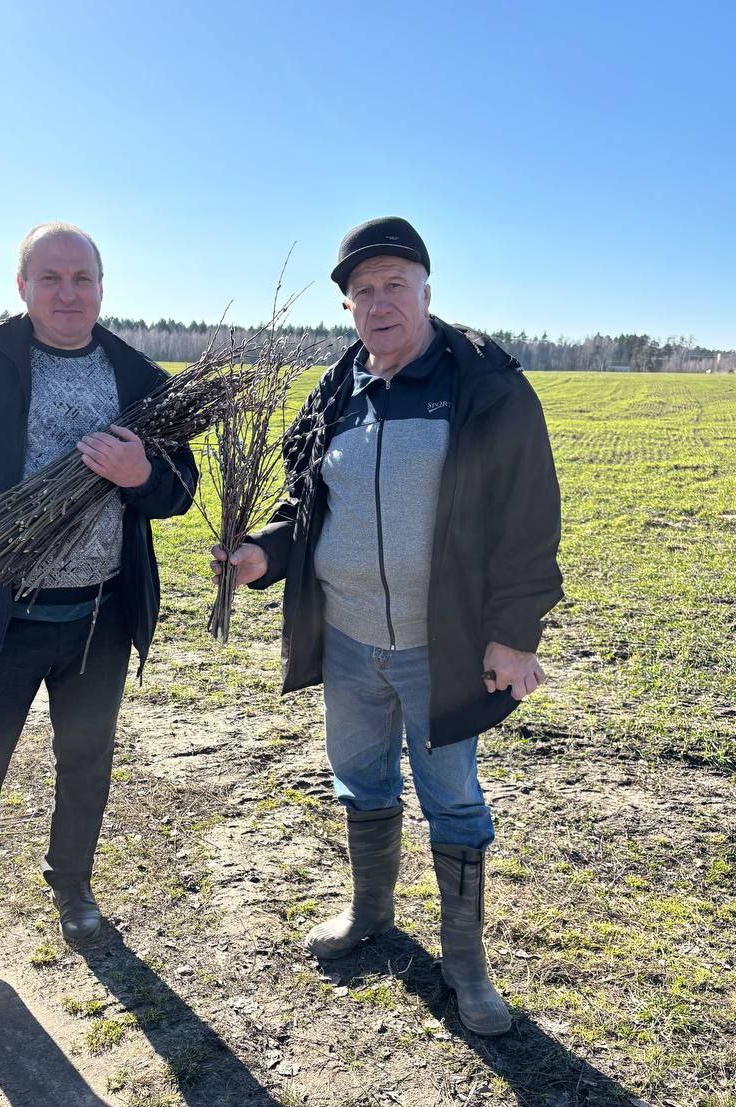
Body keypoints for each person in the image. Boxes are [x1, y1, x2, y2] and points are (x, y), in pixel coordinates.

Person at [215, 217, 562, 1036]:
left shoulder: (483, 383)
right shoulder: (337, 391)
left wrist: (515, 633)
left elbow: (529, 516)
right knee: (361, 780)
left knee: (453, 799)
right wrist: (264, 553)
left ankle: (465, 962)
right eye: (363, 291)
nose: (380, 303)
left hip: (442, 647)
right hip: (348, 640)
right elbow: (305, 505)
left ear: (426, 289)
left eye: (394, 285)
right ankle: (371, 912)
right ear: (348, 306)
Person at [0, 223, 198, 979]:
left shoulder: (139, 376)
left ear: (102, 287)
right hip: (1, 615)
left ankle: (73, 887)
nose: (67, 293)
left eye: (82, 278)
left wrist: (141, 476)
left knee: (85, 761)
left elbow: (179, 491)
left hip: (98, 619)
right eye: (50, 277)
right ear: (21, 285)